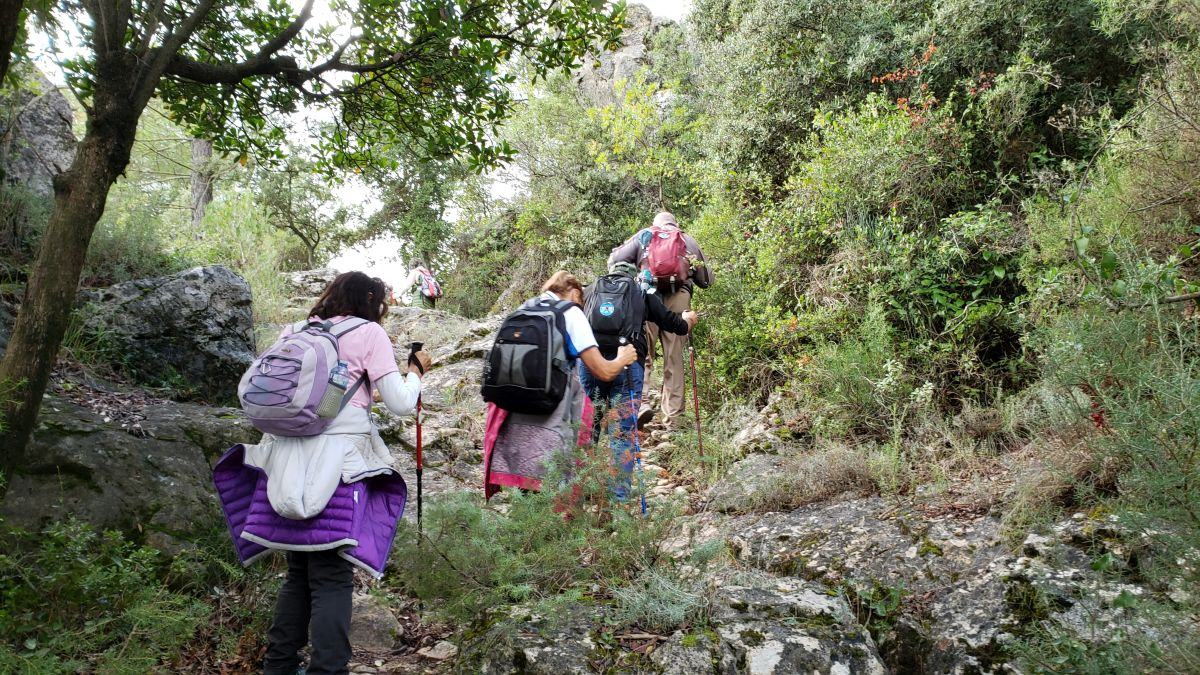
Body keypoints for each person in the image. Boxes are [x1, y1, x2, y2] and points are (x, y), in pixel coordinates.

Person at [213, 271, 432, 675]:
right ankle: (328, 670)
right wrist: (416, 372)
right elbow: (402, 404)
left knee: (298, 573)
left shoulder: (295, 330)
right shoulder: (369, 334)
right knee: (332, 576)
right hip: (337, 467)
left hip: (283, 459)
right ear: (372, 302)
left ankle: (278, 666)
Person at [483, 271, 637, 498]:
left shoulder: (522, 310)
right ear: (575, 293)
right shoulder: (571, 313)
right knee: (556, 501)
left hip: (512, 424)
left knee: (526, 503)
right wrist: (623, 357)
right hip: (549, 423)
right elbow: (604, 371)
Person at [579, 261, 697, 500]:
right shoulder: (641, 292)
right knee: (622, 434)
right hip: (627, 363)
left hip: (591, 363)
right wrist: (688, 319)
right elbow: (675, 325)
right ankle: (618, 500)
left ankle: (580, 493)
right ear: (634, 276)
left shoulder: (590, 290)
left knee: (586, 430)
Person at [608, 211, 712, 429]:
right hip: (679, 297)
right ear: (675, 223)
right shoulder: (685, 239)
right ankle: (673, 419)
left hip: (647, 296)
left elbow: (614, 260)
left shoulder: (644, 235)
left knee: (643, 352)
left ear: (654, 224)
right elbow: (705, 280)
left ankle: (641, 403)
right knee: (674, 357)